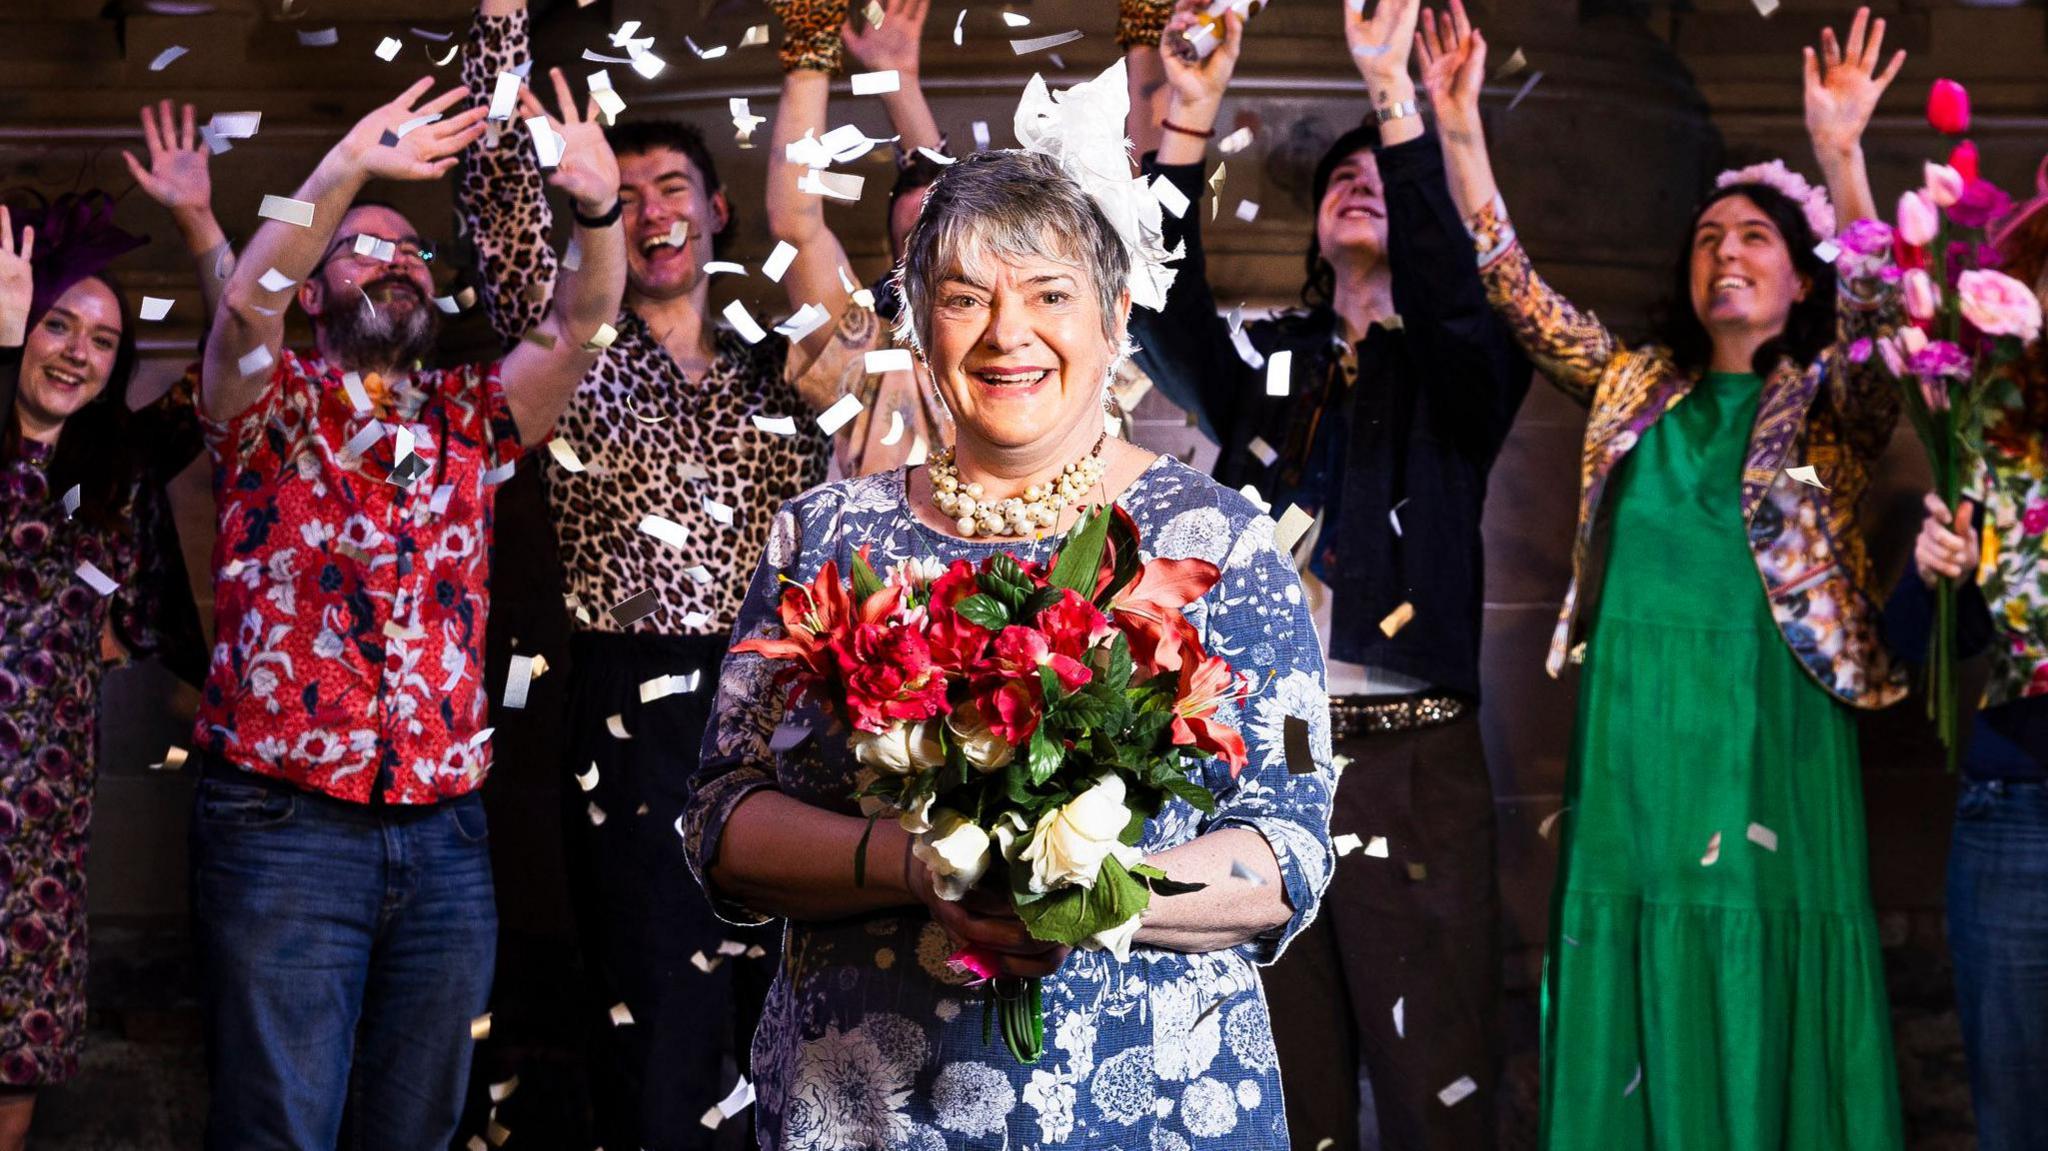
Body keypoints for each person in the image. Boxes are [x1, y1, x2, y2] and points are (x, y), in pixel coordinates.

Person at [681, 73, 1339, 1145]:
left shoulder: (1225, 543)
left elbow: (1289, 843)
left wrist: (1077, 888)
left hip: (1153, 1102)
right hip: (866, 1104)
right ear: (918, 322)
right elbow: (718, 818)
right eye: (962, 295)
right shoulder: (823, 536)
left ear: (1115, 313)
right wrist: (914, 861)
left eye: (1046, 292)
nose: (1005, 332)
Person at [1426, 3, 1908, 1147]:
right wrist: (1455, 130)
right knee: (1633, 930)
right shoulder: (1633, 385)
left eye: (1751, 239)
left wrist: (1840, 156)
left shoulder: (1832, 405)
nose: (1724, 252)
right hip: (1636, 722)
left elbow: (1887, 330)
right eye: (1706, 239)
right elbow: (1515, 290)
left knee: (1772, 924)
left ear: (1799, 280)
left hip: (1772, 720)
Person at [188, 73, 623, 1149]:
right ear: (318, 283)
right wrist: (349, 167)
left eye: (413, 252)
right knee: (282, 1129)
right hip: (286, 826)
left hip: (444, 837)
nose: (394, 261)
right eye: (362, 246)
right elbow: (246, 300)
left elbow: (579, 329)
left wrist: (598, 211)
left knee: (418, 1131)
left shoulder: (476, 417)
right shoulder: (265, 398)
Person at [1127, 0, 1529, 1144]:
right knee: (1279, 1090)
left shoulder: (1466, 370)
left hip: (1411, 758)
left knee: (1432, 1083)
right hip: (1264, 760)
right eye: (1337, 175)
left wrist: (1396, 105)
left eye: (1380, 174)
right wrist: (1189, 118)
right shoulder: (1272, 366)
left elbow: (1462, 302)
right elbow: (1156, 311)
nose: (1358, 181)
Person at [458, 5, 830, 1145]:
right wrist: (497, 22)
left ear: (716, 211)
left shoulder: (789, 378)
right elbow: (494, 205)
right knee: (659, 1019)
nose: (651, 210)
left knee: (791, 1015)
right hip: (627, 715)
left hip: (785, 704)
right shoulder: (572, 348)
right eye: (623, 194)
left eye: (671, 186)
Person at [0, 193, 200, 1149]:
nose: (77, 350)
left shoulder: (114, 478)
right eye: (54, 324)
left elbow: (236, 365)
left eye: (104, 340)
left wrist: (208, 221)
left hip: (33, 856)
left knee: (8, 1083)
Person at [1888, 157, 2048, 1151]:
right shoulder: (1993, 428)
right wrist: (1934, 568)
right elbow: (1914, 644)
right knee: (2017, 1118)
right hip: (2019, 805)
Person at [768, 0, 956, 477]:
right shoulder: (876, 359)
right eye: (919, 242)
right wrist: (811, 49)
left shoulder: (1038, 346)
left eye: (946, 231)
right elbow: (796, 227)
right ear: (899, 279)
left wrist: (898, 83)